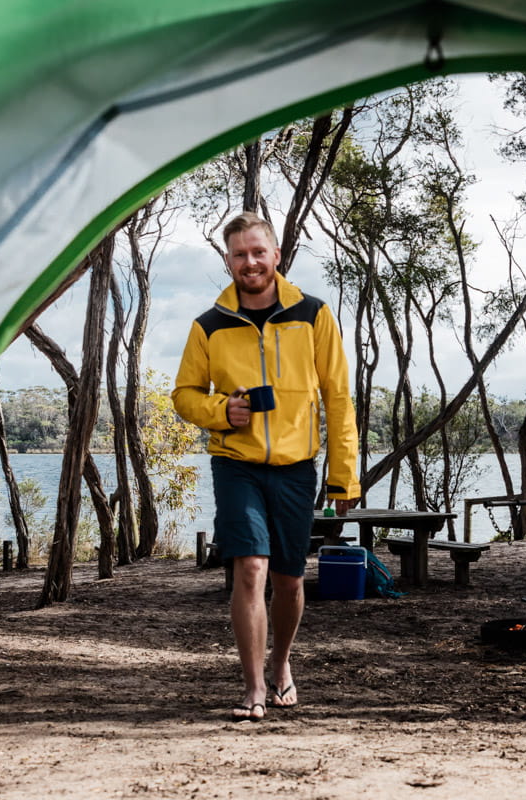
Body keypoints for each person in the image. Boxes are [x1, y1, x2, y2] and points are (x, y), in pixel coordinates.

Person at [171, 211, 360, 722]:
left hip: (297, 467)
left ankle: (280, 665)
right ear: (228, 261)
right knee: (249, 569)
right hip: (237, 464)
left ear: (277, 256)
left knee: (289, 579)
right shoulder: (208, 326)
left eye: (258, 252)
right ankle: (253, 686)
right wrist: (220, 412)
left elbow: (339, 398)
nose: (249, 262)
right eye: (239, 254)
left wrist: (345, 474)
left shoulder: (313, 315)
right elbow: (184, 395)